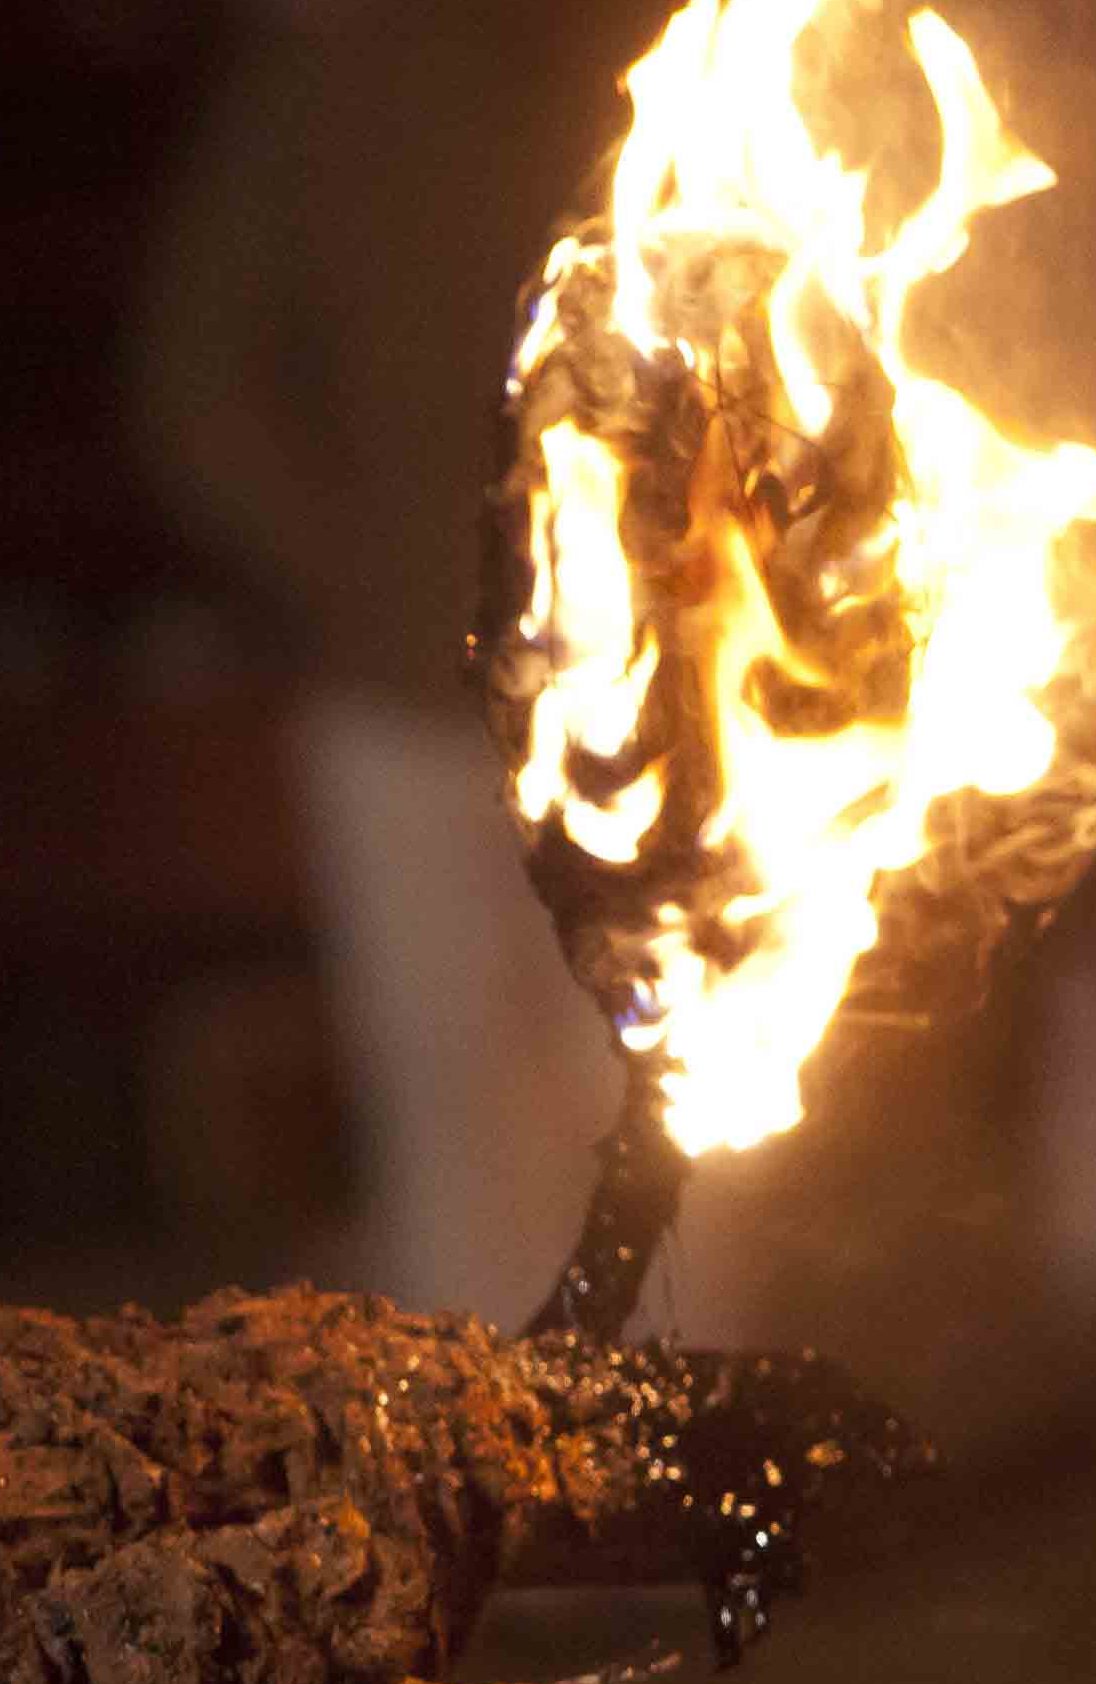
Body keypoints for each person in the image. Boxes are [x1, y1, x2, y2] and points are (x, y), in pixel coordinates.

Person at [128, 0, 742, 1335]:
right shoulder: (334, 63)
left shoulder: (672, 50)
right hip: (408, 703)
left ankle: (681, 1475)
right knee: (459, 1117)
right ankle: (493, 1490)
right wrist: (368, 574)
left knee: (668, 1115)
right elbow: (196, 378)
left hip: (651, 698)